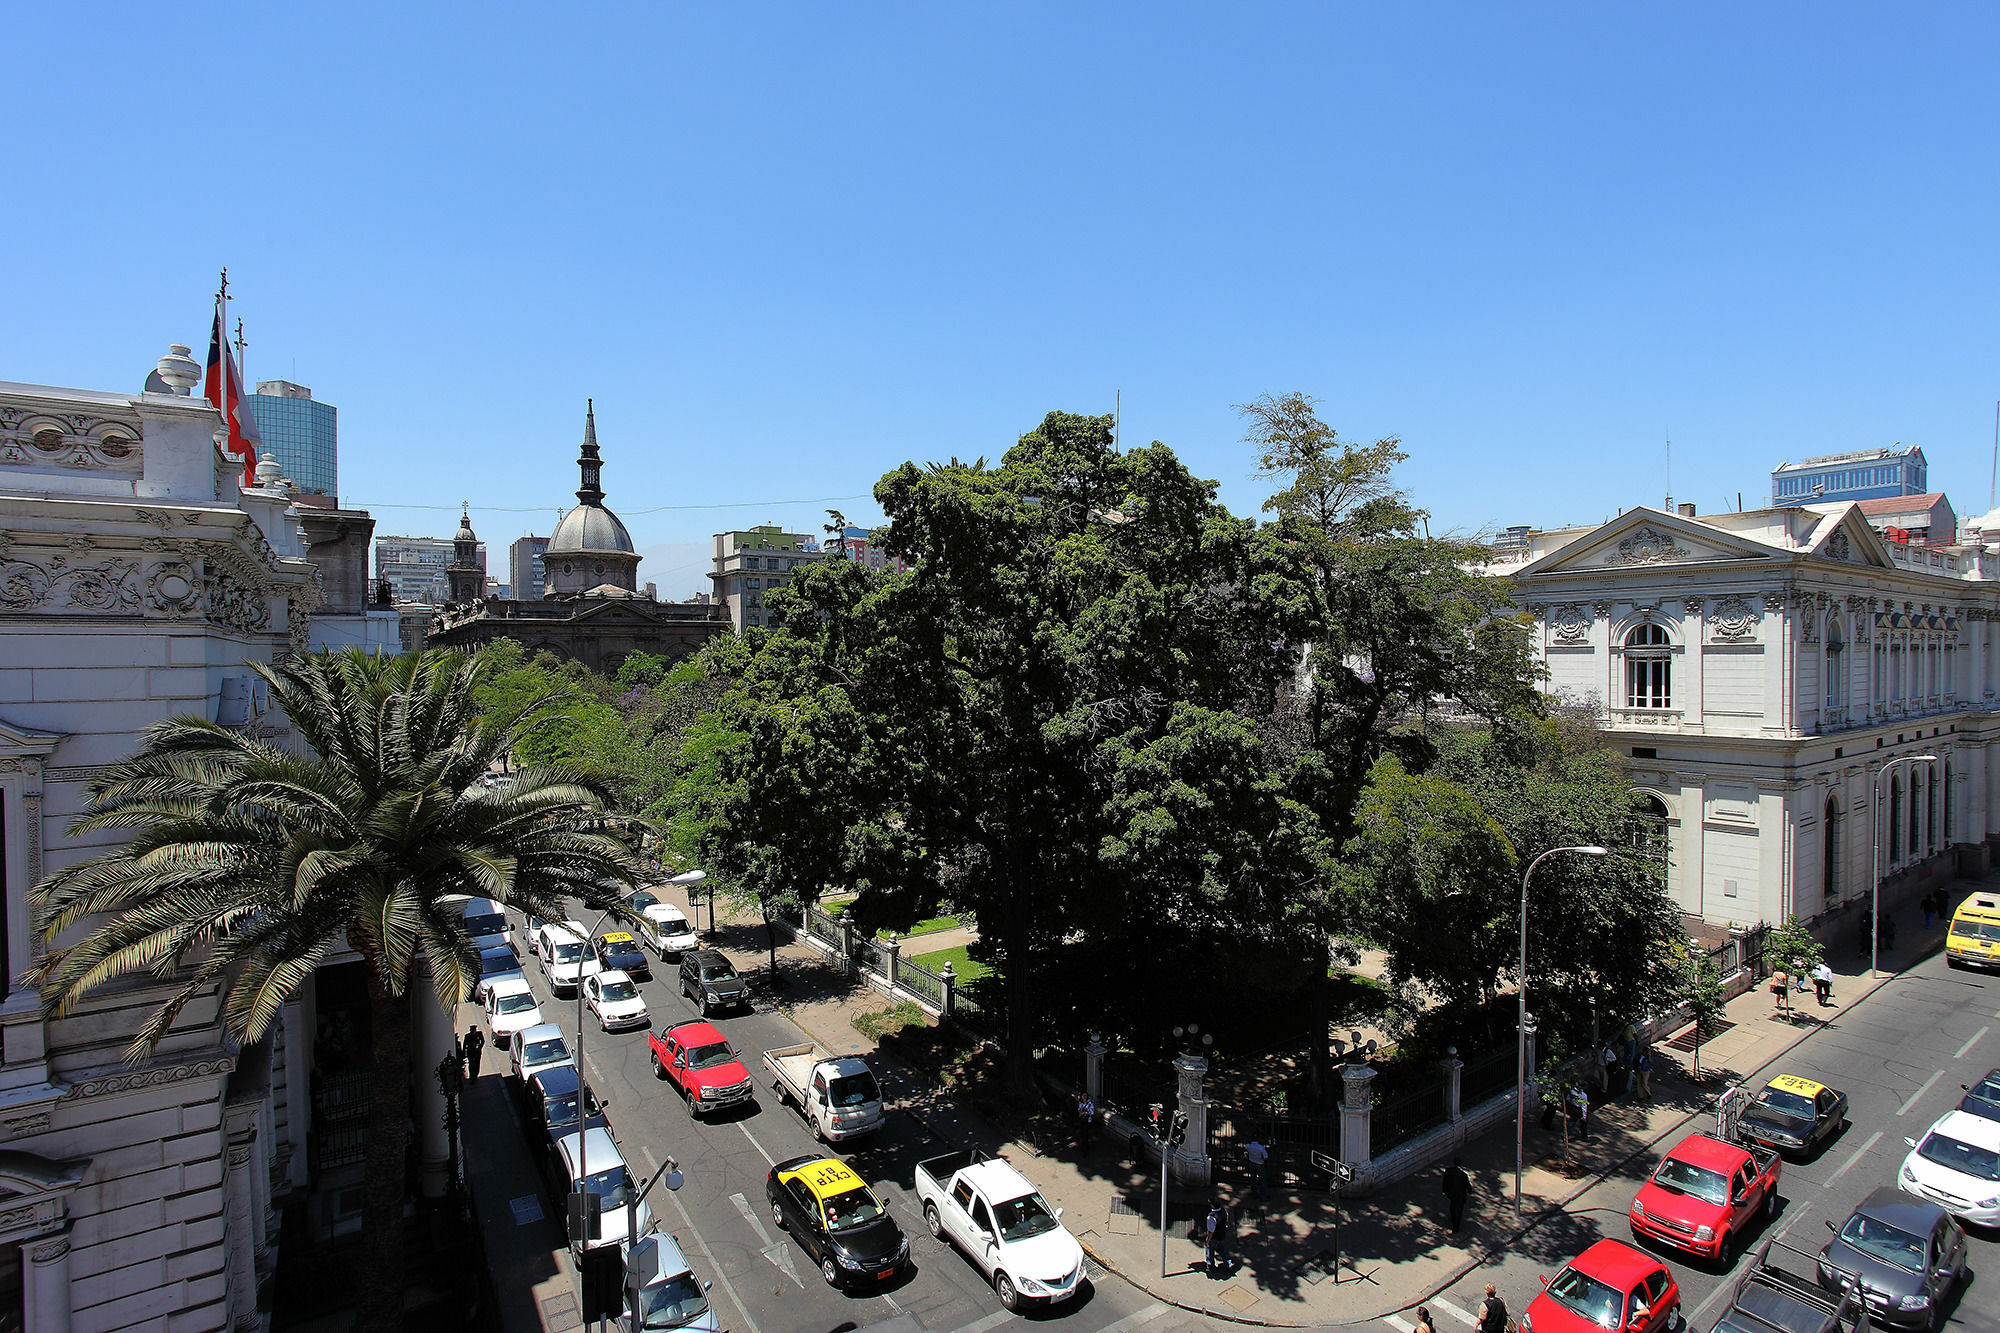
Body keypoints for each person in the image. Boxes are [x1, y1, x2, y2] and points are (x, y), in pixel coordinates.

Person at [1442, 1157, 1471, 1232]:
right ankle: (1456, 1227)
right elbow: (1467, 1184)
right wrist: (1470, 1190)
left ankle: (1452, 1218)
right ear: (1461, 1164)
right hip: (1460, 1195)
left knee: (1452, 1205)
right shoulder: (1463, 1174)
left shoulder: (1448, 1171)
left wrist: (1444, 1190)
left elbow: (1445, 1182)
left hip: (1451, 1193)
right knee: (1459, 1210)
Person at [1203, 1200, 1232, 1273]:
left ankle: (1211, 1267)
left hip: (1214, 1237)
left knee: (1210, 1251)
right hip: (1222, 1235)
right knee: (1221, 1249)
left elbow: (1211, 1231)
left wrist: (1207, 1241)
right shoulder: (1224, 1211)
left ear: (1212, 1206)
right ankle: (1228, 1262)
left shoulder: (1211, 1217)